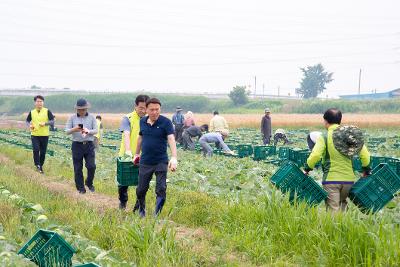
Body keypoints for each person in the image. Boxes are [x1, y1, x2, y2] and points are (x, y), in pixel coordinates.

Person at [304, 108, 371, 212]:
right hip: (349, 181)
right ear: (340, 120)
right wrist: (366, 170)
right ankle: (344, 228)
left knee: (333, 210)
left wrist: (307, 168)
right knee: (342, 206)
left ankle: (333, 228)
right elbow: (365, 154)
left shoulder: (325, 137)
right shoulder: (349, 135)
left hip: (331, 180)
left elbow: (315, 155)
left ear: (326, 121)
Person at [133, 98, 178, 217]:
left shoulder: (166, 122)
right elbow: (140, 138)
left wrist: (174, 157)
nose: (154, 112)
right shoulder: (142, 121)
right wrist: (136, 154)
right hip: (145, 161)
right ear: (146, 110)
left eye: (157, 109)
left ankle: (156, 215)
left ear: (160, 109)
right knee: (141, 189)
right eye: (151, 109)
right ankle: (142, 211)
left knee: (161, 188)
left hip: (161, 161)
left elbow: (171, 138)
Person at [117, 95, 150, 210]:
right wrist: (128, 151)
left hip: (143, 157)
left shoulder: (150, 119)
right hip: (126, 156)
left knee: (142, 183)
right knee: (123, 182)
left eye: (145, 108)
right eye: (140, 108)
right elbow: (126, 134)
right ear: (135, 106)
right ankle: (123, 201)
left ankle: (138, 206)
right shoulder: (128, 118)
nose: (143, 111)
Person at [65, 99, 98, 194]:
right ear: (76, 109)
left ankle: (89, 182)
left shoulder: (92, 117)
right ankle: (81, 188)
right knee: (78, 168)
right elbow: (66, 131)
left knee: (91, 166)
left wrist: (88, 131)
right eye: (79, 109)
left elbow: (96, 130)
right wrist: (74, 129)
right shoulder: (72, 118)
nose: (81, 111)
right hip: (77, 145)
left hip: (89, 145)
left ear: (86, 108)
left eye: (83, 109)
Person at [26, 95, 55, 174]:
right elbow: (27, 121)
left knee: (43, 152)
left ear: (43, 102)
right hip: (35, 134)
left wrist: (45, 123)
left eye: (41, 101)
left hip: (44, 135)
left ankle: (40, 166)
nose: (39, 103)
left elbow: (52, 121)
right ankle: (37, 165)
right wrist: (30, 125)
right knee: (35, 149)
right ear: (35, 103)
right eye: (38, 101)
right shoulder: (32, 112)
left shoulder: (47, 111)